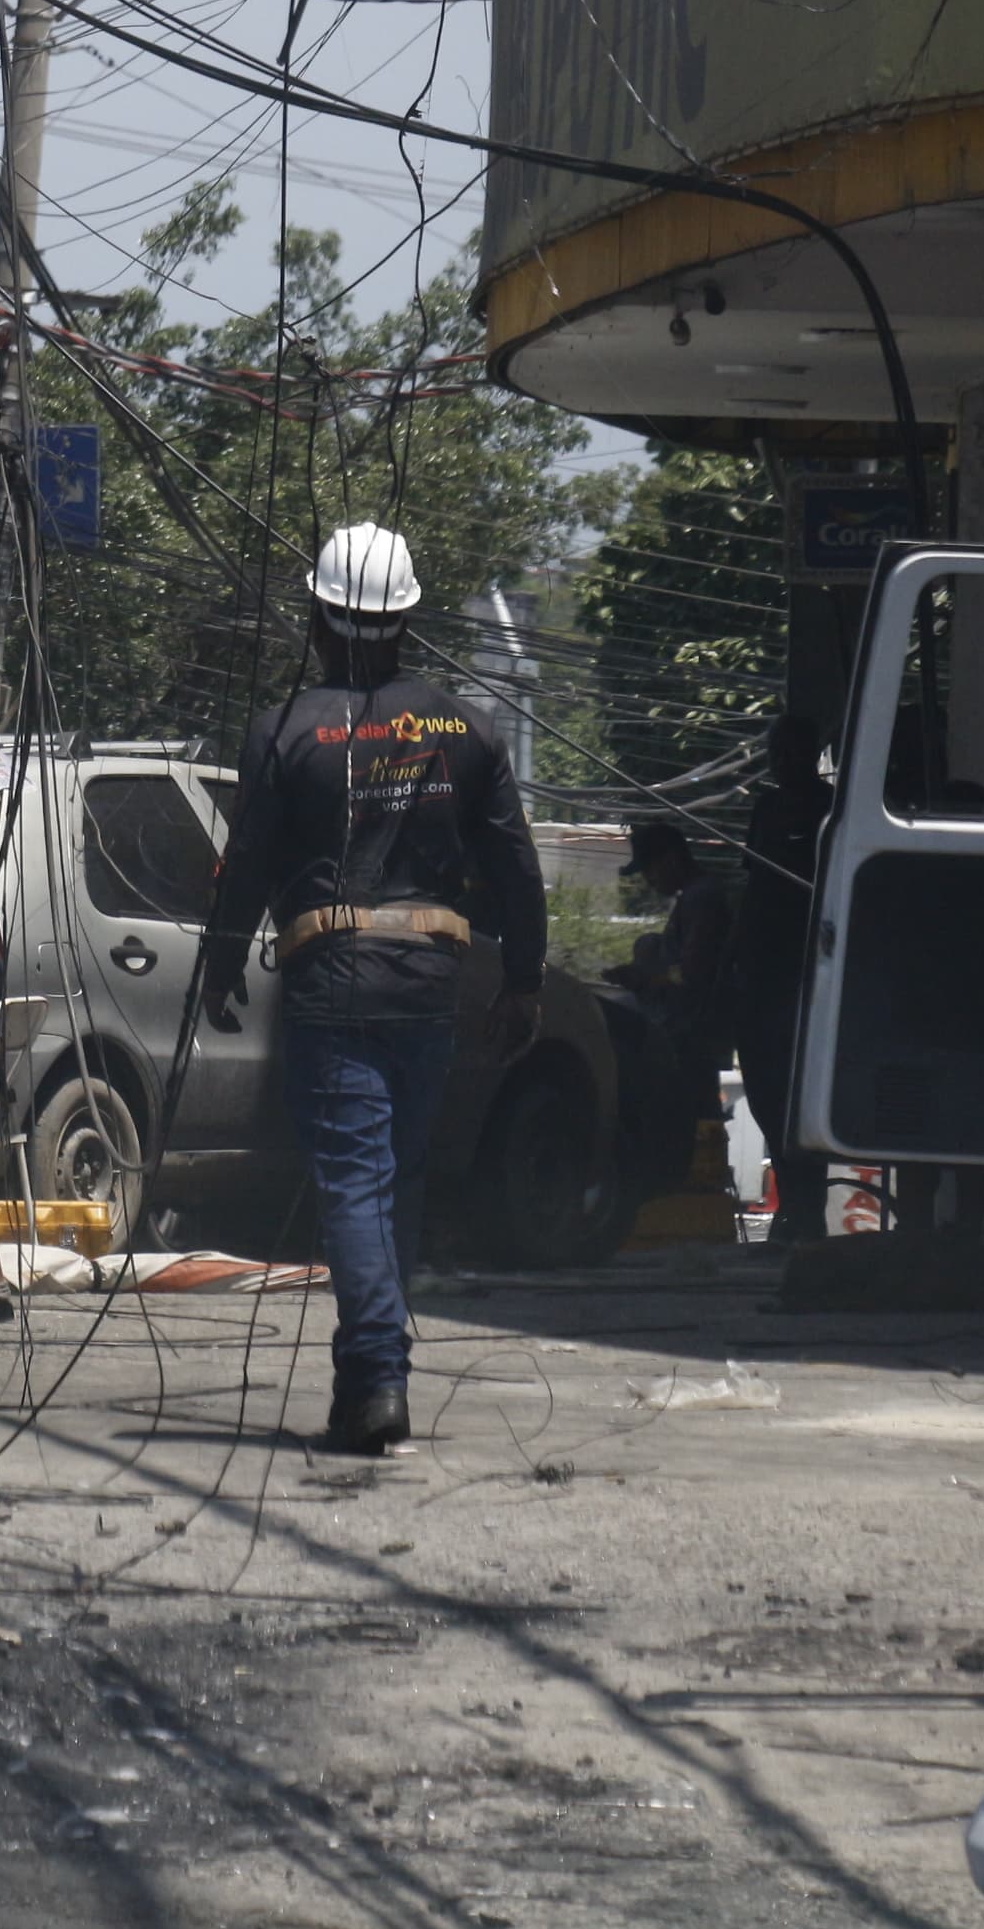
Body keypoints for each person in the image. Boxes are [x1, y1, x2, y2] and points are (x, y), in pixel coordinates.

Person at [203, 523, 547, 1457]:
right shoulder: (464, 730)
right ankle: (371, 1377)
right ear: (405, 618)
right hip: (430, 984)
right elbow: (516, 868)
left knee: (353, 1180)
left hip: (335, 980)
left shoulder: (283, 732)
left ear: (318, 616)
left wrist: (222, 964)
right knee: (395, 1180)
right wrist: (524, 982)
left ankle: (377, 1375)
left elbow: (247, 868)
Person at [727, 716, 831, 1240]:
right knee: (765, 1093)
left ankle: (808, 1212)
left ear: (811, 753)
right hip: (761, 972)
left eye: (791, 750)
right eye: (775, 751)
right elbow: (754, 887)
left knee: (802, 1095)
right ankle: (792, 1204)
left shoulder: (829, 809)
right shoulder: (766, 808)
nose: (781, 761)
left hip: (807, 976)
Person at [601, 817, 737, 1147]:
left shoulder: (701, 898)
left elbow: (693, 973)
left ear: (671, 859)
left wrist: (645, 977)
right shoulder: (695, 896)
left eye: (650, 869)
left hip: (694, 1032)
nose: (648, 880)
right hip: (693, 1031)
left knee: (691, 1113)